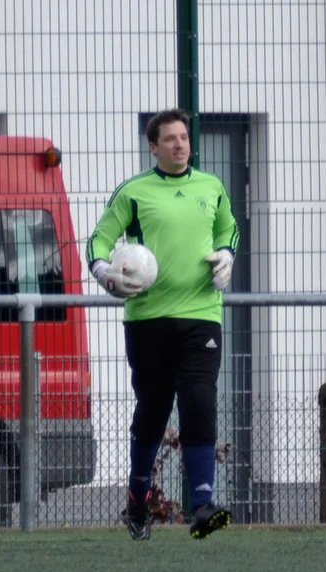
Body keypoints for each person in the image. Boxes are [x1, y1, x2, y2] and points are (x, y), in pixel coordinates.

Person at [87, 108, 239, 541]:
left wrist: (227, 255)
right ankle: (137, 502)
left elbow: (230, 229)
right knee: (152, 412)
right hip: (148, 320)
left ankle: (202, 506)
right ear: (153, 147)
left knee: (199, 401)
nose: (179, 144)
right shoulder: (134, 192)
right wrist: (103, 272)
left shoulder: (212, 187)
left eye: (183, 137)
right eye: (169, 139)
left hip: (201, 316)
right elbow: (98, 240)